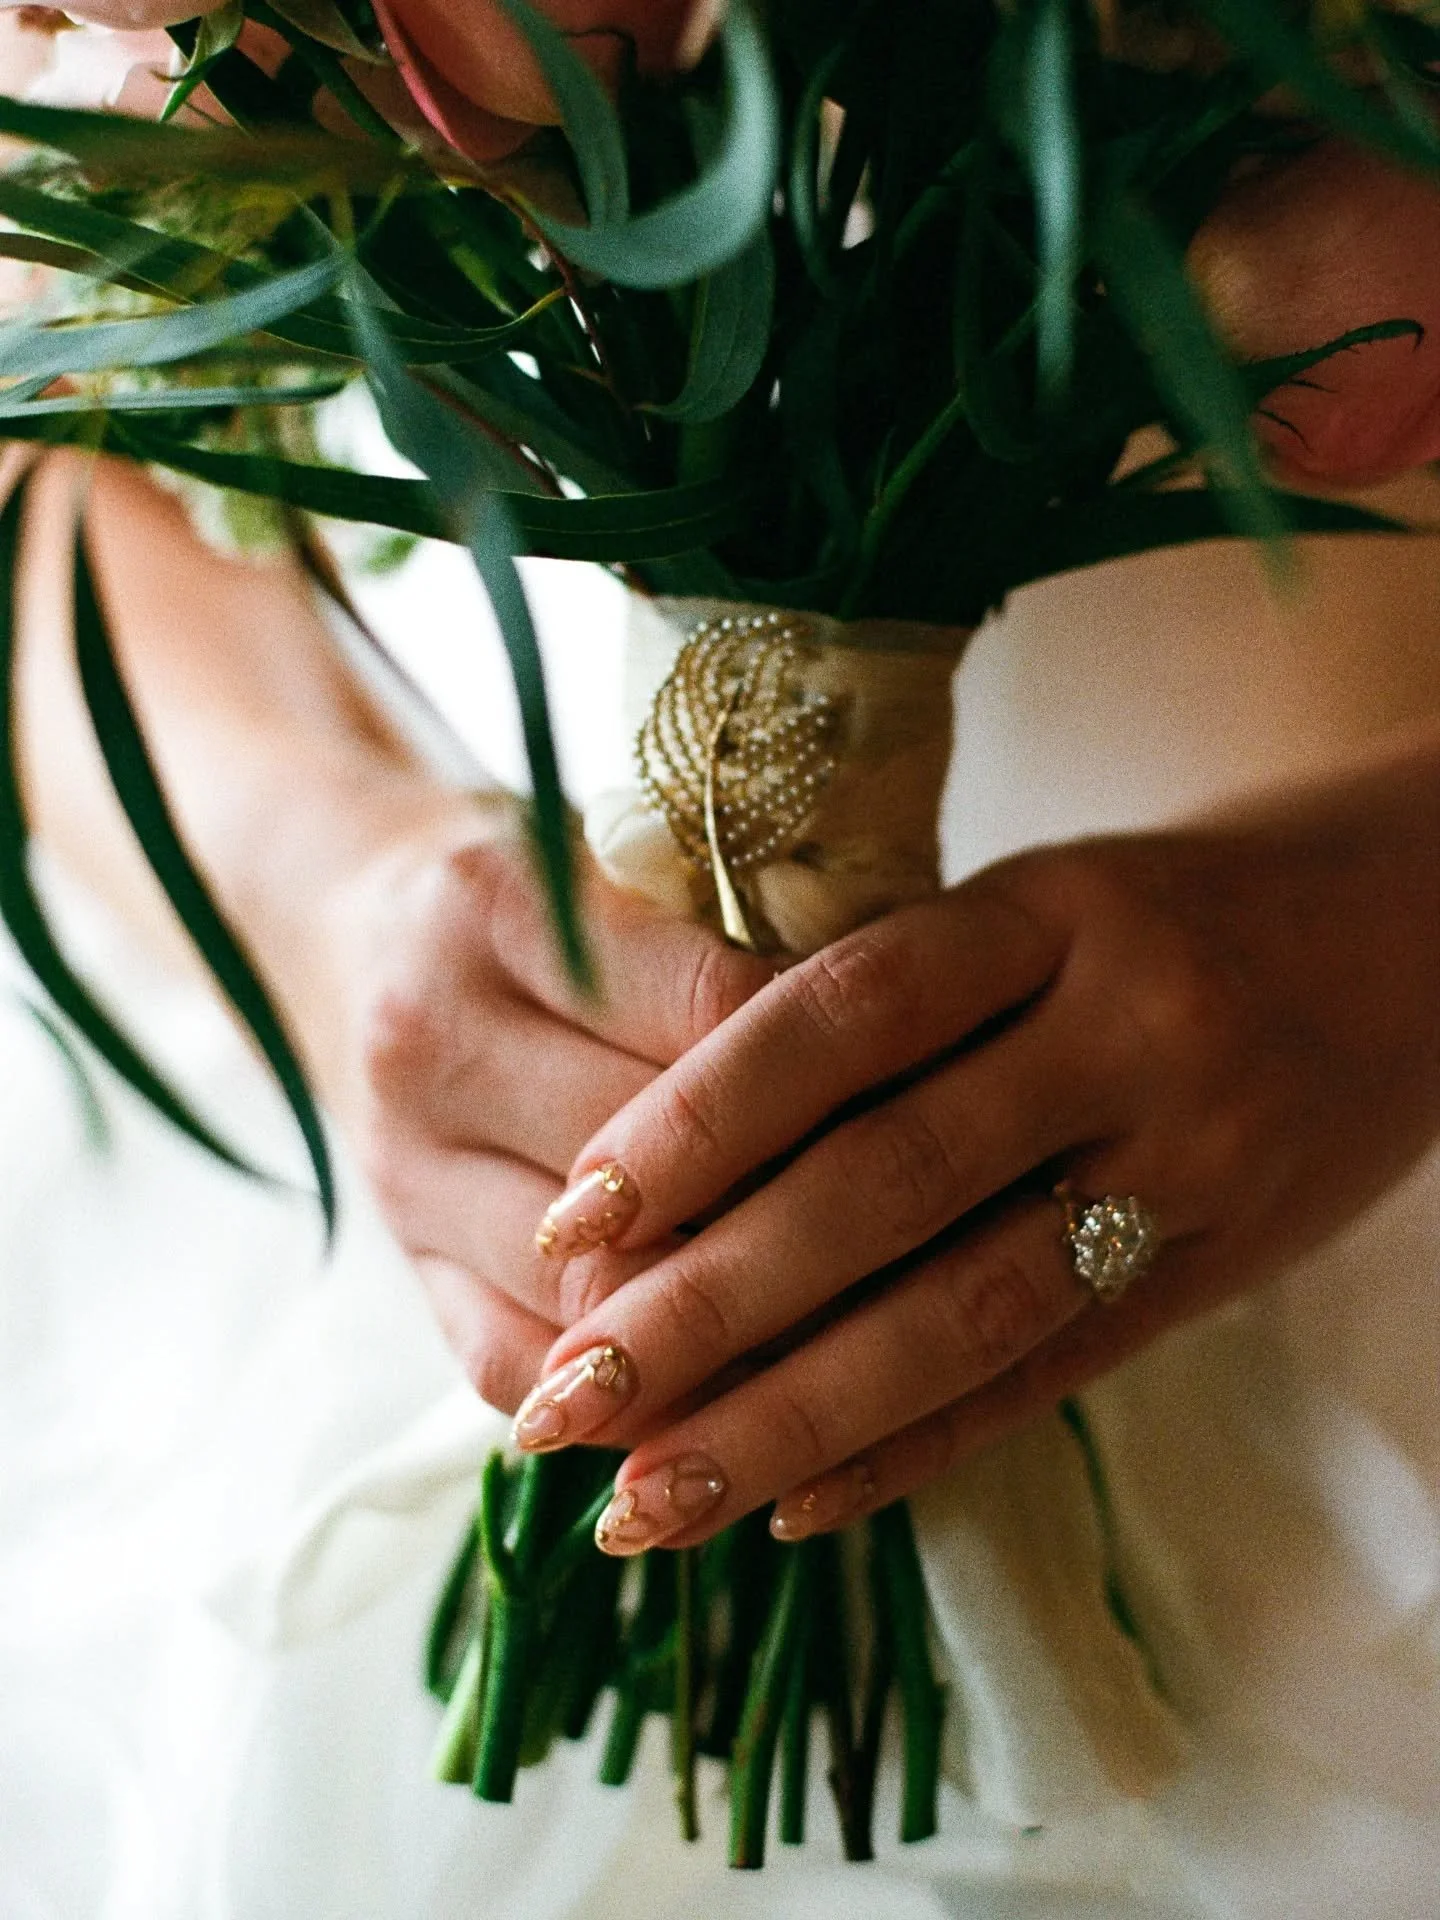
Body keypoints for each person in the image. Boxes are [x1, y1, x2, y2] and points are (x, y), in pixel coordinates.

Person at [6, 431, 1440, 1916]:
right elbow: (51, 436)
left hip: (1366, 1199)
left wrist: (1400, 926)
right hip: (428, 1164)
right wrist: (335, 898)